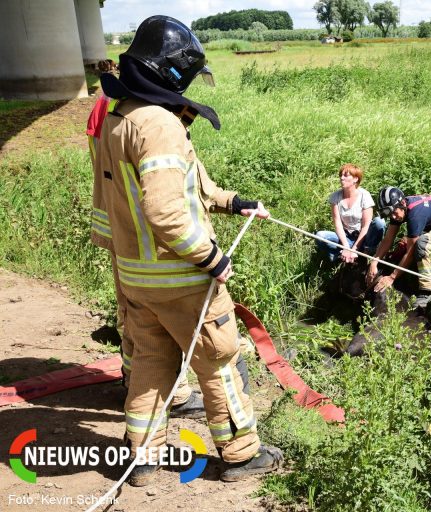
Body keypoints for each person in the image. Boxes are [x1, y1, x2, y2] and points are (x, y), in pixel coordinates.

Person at [95, 15, 282, 486]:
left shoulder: (119, 118)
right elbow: (166, 211)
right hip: (183, 280)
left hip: (137, 280)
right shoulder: (160, 125)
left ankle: (142, 459)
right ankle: (241, 456)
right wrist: (211, 258)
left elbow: (160, 195)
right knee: (218, 365)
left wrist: (231, 203)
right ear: (172, 71)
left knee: (152, 368)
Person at [87, 94, 206, 420]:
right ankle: (170, 394)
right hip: (142, 237)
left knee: (133, 311)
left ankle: (133, 380)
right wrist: (209, 257)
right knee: (152, 323)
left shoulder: (116, 109)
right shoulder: (142, 115)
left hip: (124, 230)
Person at [367, 187, 431, 308]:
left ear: (403, 203)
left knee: (423, 242)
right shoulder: (399, 211)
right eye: (390, 214)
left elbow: (411, 252)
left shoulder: (415, 213)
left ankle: (429, 292)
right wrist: (374, 262)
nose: (393, 217)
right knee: (403, 245)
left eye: (394, 212)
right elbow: (387, 240)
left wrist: (392, 277)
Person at [315, 164, 385, 264]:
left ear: (355, 179)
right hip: (346, 238)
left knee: (380, 222)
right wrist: (346, 247)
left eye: (346, 175)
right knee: (320, 236)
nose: (341, 178)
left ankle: (367, 252)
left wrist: (355, 249)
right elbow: (338, 225)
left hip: (363, 238)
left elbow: (366, 226)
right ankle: (338, 257)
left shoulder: (365, 195)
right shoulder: (335, 197)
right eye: (341, 175)